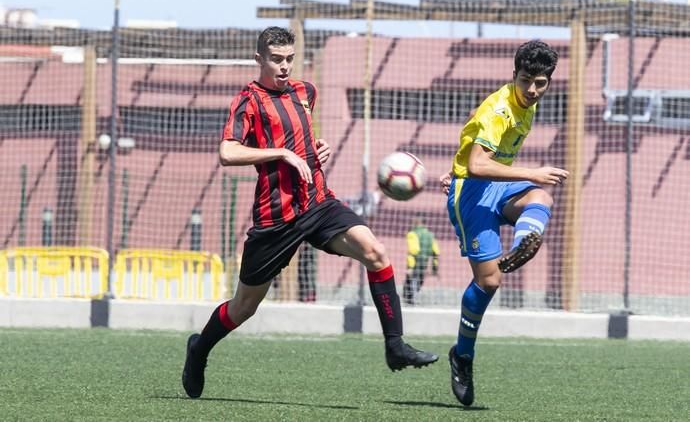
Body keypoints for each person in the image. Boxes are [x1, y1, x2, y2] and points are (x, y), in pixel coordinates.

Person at [182, 26, 438, 399]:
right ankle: (199, 348)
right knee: (244, 307)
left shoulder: (306, 92)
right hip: (276, 217)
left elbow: (300, 139)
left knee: (376, 252)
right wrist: (281, 154)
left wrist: (317, 150)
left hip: (318, 202)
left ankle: (395, 345)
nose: (284, 66)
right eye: (276, 59)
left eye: (289, 58)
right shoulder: (247, 100)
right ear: (259, 59)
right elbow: (228, 152)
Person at [439, 40, 567, 407]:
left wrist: (457, 162)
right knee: (490, 280)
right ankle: (462, 356)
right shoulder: (499, 109)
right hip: (472, 193)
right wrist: (532, 171)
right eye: (526, 80)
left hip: (497, 184)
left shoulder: (529, 102)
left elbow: (475, 146)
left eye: (540, 82)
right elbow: (478, 164)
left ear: (548, 82)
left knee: (542, 197)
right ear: (514, 75)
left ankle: (527, 240)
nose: (531, 89)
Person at [402, 215, 439, 306]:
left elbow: (413, 251)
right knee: (419, 281)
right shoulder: (430, 235)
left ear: (418, 222)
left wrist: (410, 267)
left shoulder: (412, 234)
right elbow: (436, 252)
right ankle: (413, 298)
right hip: (424, 264)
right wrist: (435, 268)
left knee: (410, 282)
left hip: (415, 263)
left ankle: (410, 300)